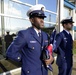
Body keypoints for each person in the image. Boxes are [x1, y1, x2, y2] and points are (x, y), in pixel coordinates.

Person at [6, 4, 54, 75]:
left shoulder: (45, 35)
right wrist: (25, 60)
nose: (42, 20)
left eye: (43, 18)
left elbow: (49, 51)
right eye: (39, 17)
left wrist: (52, 59)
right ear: (31, 20)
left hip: (44, 72)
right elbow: (10, 53)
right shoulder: (24, 34)